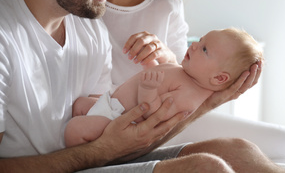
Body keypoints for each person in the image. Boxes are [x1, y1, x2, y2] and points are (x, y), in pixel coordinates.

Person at [0, 0, 285, 172]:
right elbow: (103, 149)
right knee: (207, 168)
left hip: (93, 159)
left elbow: (116, 132)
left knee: (240, 151)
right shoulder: (6, 36)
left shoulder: (88, 26)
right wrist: (103, 150)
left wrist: (211, 99)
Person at [65, 28, 264, 147]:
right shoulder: (185, 73)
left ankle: (89, 164)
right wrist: (149, 67)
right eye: (200, 40)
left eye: (204, 49)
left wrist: (147, 88)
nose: (194, 45)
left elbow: (153, 113)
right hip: (108, 103)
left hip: (116, 122)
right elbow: (160, 77)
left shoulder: (190, 96)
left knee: (75, 129)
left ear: (219, 78)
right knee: (81, 104)